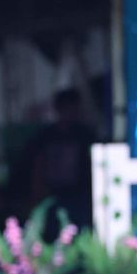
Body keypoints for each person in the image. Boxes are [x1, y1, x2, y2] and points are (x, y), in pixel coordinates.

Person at [29, 87, 95, 238]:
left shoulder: (85, 135)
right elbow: (38, 166)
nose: (70, 113)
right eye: (67, 108)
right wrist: (37, 195)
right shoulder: (46, 136)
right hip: (52, 195)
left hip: (80, 197)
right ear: (58, 109)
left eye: (74, 109)